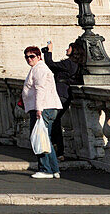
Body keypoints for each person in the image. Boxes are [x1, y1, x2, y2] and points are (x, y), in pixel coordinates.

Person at [22, 45, 63, 179]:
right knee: (46, 139)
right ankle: (54, 169)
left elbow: (40, 89)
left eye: (32, 56)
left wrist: (38, 108)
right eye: (26, 57)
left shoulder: (39, 69)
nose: (29, 59)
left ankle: (45, 169)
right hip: (47, 107)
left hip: (43, 108)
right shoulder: (39, 68)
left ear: (39, 56)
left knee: (40, 138)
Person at [44, 40, 84, 159]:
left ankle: (58, 149)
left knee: (53, 120)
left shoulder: (68, 63)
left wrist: (49, 50)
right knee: (55, 121)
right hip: (65, 94)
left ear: (74, 51)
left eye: (69, 48)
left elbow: (50, 63)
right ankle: (58, 149)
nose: (67, 50)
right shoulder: (74, 65)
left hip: (61, 94)